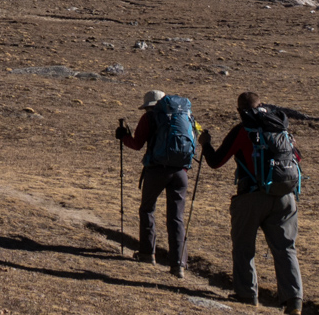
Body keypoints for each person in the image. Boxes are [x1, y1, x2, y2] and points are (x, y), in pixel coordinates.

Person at [200, 91, 303, 312]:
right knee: (285, 248)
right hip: (285, 196)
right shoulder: (280, 127)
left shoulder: (242, 131)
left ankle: (247, 295)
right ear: (262, 104)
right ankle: (294, 300)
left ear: (240, 110)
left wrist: (206, 144)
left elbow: (216, 161)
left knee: (244, 247)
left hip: (251, 197)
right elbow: (297, 158)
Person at [116, 89, 199, 277]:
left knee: (147, 209)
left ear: (148, 106)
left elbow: (137, 144)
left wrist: (123, 137)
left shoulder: (150, 118)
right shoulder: (185, 115)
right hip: (181, 172)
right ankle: (178, 264)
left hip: (156, 171)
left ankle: (147, 254)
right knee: (176, 217)